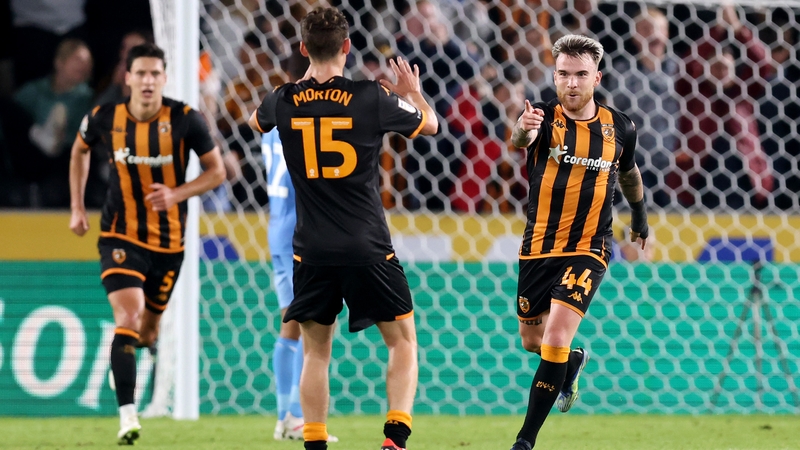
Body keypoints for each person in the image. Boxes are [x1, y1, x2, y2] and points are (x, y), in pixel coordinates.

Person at [248, 7, 438, 450]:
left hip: (311, 248)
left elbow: (257, 121)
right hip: (367, 244)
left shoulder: (283, 99)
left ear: (301, 48)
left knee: (316, 351)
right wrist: (414, 94)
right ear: (348, 47)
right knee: (403, 341)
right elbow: (430, 125)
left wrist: (295, 99)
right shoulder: (370, 96)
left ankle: (313, 440)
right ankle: (394, 438)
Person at [68, 43, 225, 445]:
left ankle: (131, 355)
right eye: (141, 73)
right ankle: (127, 415)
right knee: (129, 316)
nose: (149, 80)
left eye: (156, 73)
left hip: (170, 242)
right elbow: (79, 151)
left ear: (165, 78)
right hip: (120, 234)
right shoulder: (104, 118)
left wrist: (177, 194)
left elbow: (217, 172)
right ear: (128, 77)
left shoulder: (186, 119)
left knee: (148, 332)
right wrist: (77, 208)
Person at [508, 34, 649, 449]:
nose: (571, 83)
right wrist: (521, 130)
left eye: (581, 75)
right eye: (564, 74)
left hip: (590, 246)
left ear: (597, 78)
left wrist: (639, 216)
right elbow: (521, 142)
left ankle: (524, 441)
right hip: (538, 247)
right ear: (554, 76)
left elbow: (629, 172)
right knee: (534, 342)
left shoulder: (620, 127)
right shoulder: (542, 117)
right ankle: (572, 363)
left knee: (554, 338)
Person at [261, 51, 339, 443]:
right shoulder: (305, 118)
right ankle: (292, 415)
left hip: (278, 226)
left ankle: (286, 415)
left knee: (292, 323)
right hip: (301, 230)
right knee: (308, 328)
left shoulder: (276, 116)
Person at [607, 7, 679, 208]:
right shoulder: (623, 73)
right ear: (635, 35)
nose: (652, 34)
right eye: (646, 29)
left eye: (658, 29)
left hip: (677, 161)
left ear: (667, 33)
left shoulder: (680, 69)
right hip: (637, 162)